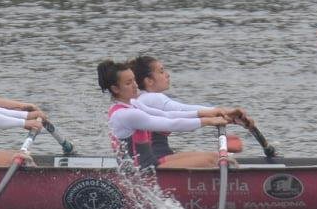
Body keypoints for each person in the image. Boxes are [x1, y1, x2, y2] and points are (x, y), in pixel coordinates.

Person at [97, 59, 236, 171]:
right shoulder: (125, 114)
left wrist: (213, 114)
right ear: (115, 88)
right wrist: (209, 121)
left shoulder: (134, 104)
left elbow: (168, 115)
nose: (135, 85)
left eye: (134, 80)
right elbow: (170, 124)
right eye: (128, 83)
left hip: (151, 164)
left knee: (214, 157)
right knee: (211, 161)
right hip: (143, 173)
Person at [128, 54, 248, 160]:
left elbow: (186, 112)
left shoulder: (142, 98)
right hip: (157, 160)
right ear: (149, 81)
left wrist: (229, 116)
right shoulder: (152, 98)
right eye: (161, 71)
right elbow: (184, 110)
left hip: (159, 156)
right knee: (215, 159)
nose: (167, 75)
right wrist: (227, 113)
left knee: (213, 157)